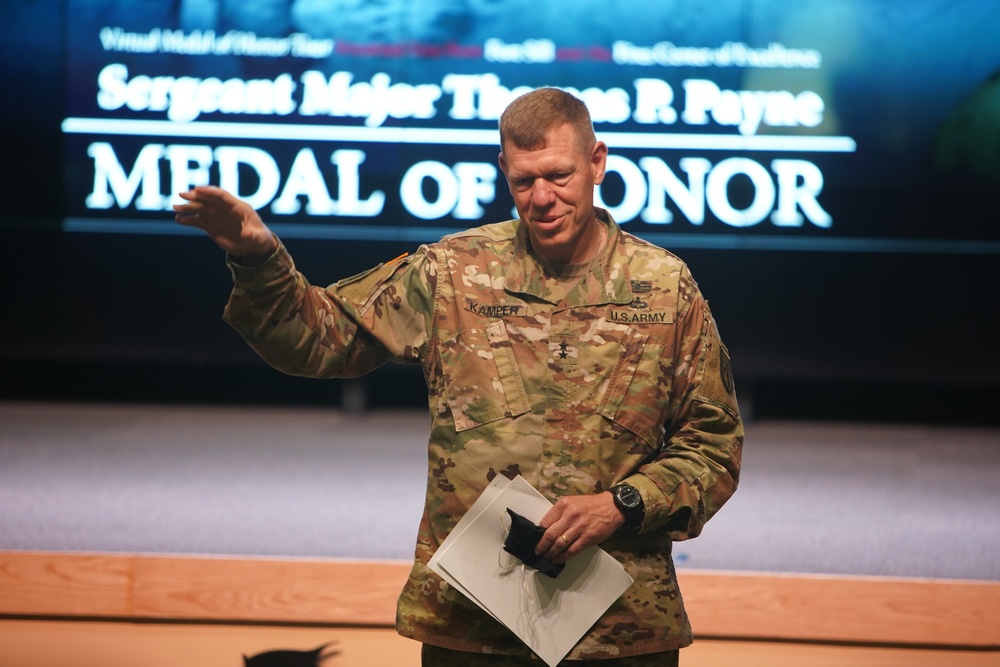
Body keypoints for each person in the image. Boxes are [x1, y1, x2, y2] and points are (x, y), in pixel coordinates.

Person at [174, 87, 743, 666]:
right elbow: (319, 341)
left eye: (558, 175)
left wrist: (620, 504)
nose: (542, 197)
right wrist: (257, 257)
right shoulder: (453, 272)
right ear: (503, 170)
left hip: (618, 629)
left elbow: (714, 449)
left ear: (597, 162)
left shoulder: (666, 287)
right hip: (475, 624)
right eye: (524, 181)